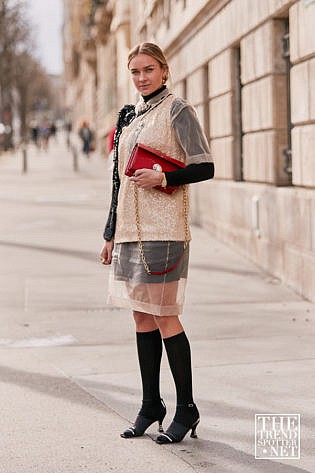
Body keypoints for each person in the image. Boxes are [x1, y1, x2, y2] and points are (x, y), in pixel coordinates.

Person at [99, 42, 214, 444]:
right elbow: (118, 180)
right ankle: (152, 405)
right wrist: (110, 234)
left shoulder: (178, 110)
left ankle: (187, 408)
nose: (142, 77)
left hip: (164, 231)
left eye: (148, 69)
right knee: (141, 318)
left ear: (164, 71)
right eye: (135, 71)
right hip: (131, 232)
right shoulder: (130, 115)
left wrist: (163, 178)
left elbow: (205, 166)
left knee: (165, 317)